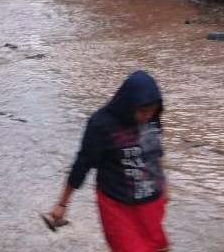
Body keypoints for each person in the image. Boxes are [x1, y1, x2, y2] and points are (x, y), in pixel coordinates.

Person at [46, 70, 168, 252]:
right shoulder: (101, 124)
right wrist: (62, 203)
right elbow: (82, 164)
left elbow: (155, 153)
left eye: (152, 111)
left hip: (150, 201)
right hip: (117, 205)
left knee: (157, 247)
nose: (148, 116)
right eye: (143, 111)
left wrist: (164, 184)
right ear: (128, 104)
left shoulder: (152, 119)